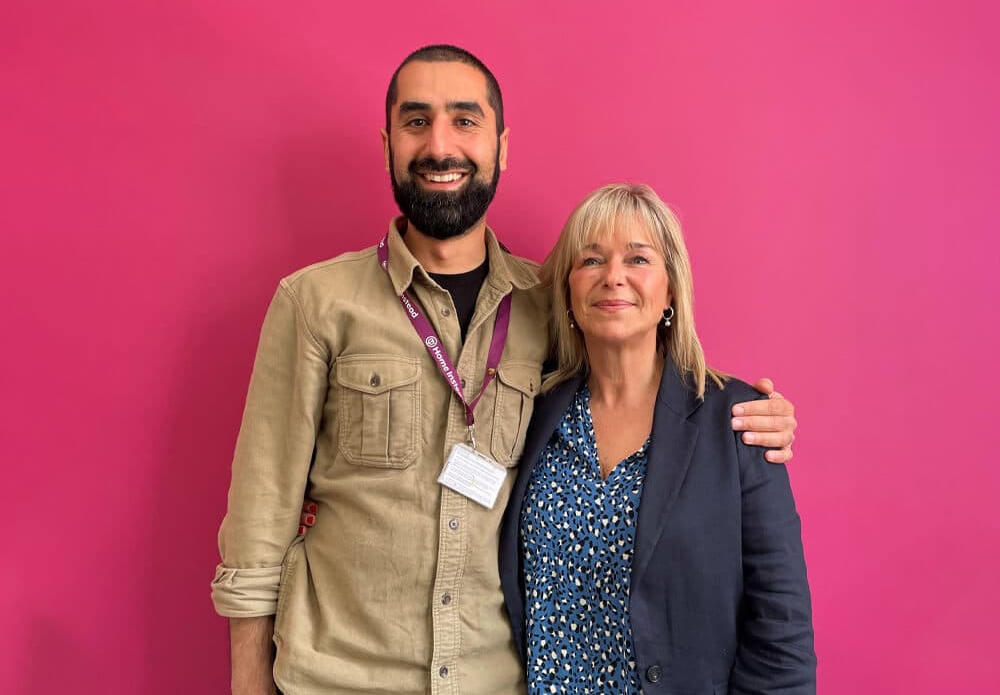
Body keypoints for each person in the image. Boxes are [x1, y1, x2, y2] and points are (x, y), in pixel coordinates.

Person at [211, 46, 800, 695]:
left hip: (494, 681)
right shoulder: (314, 303)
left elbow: (635, 361)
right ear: (388, 145)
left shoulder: (549, 305)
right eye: (416, 121)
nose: (440, 145)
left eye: (465, 121)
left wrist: (741, 417)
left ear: (501, 146)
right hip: (341, 680)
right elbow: (259, 523)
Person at [499, 183, 815, 694]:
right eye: (591, 260)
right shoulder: (531, 412)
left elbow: (782, 627)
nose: (613, 276)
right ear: (569, 293)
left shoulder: (738, 420)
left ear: (670, 290)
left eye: (638, 259)